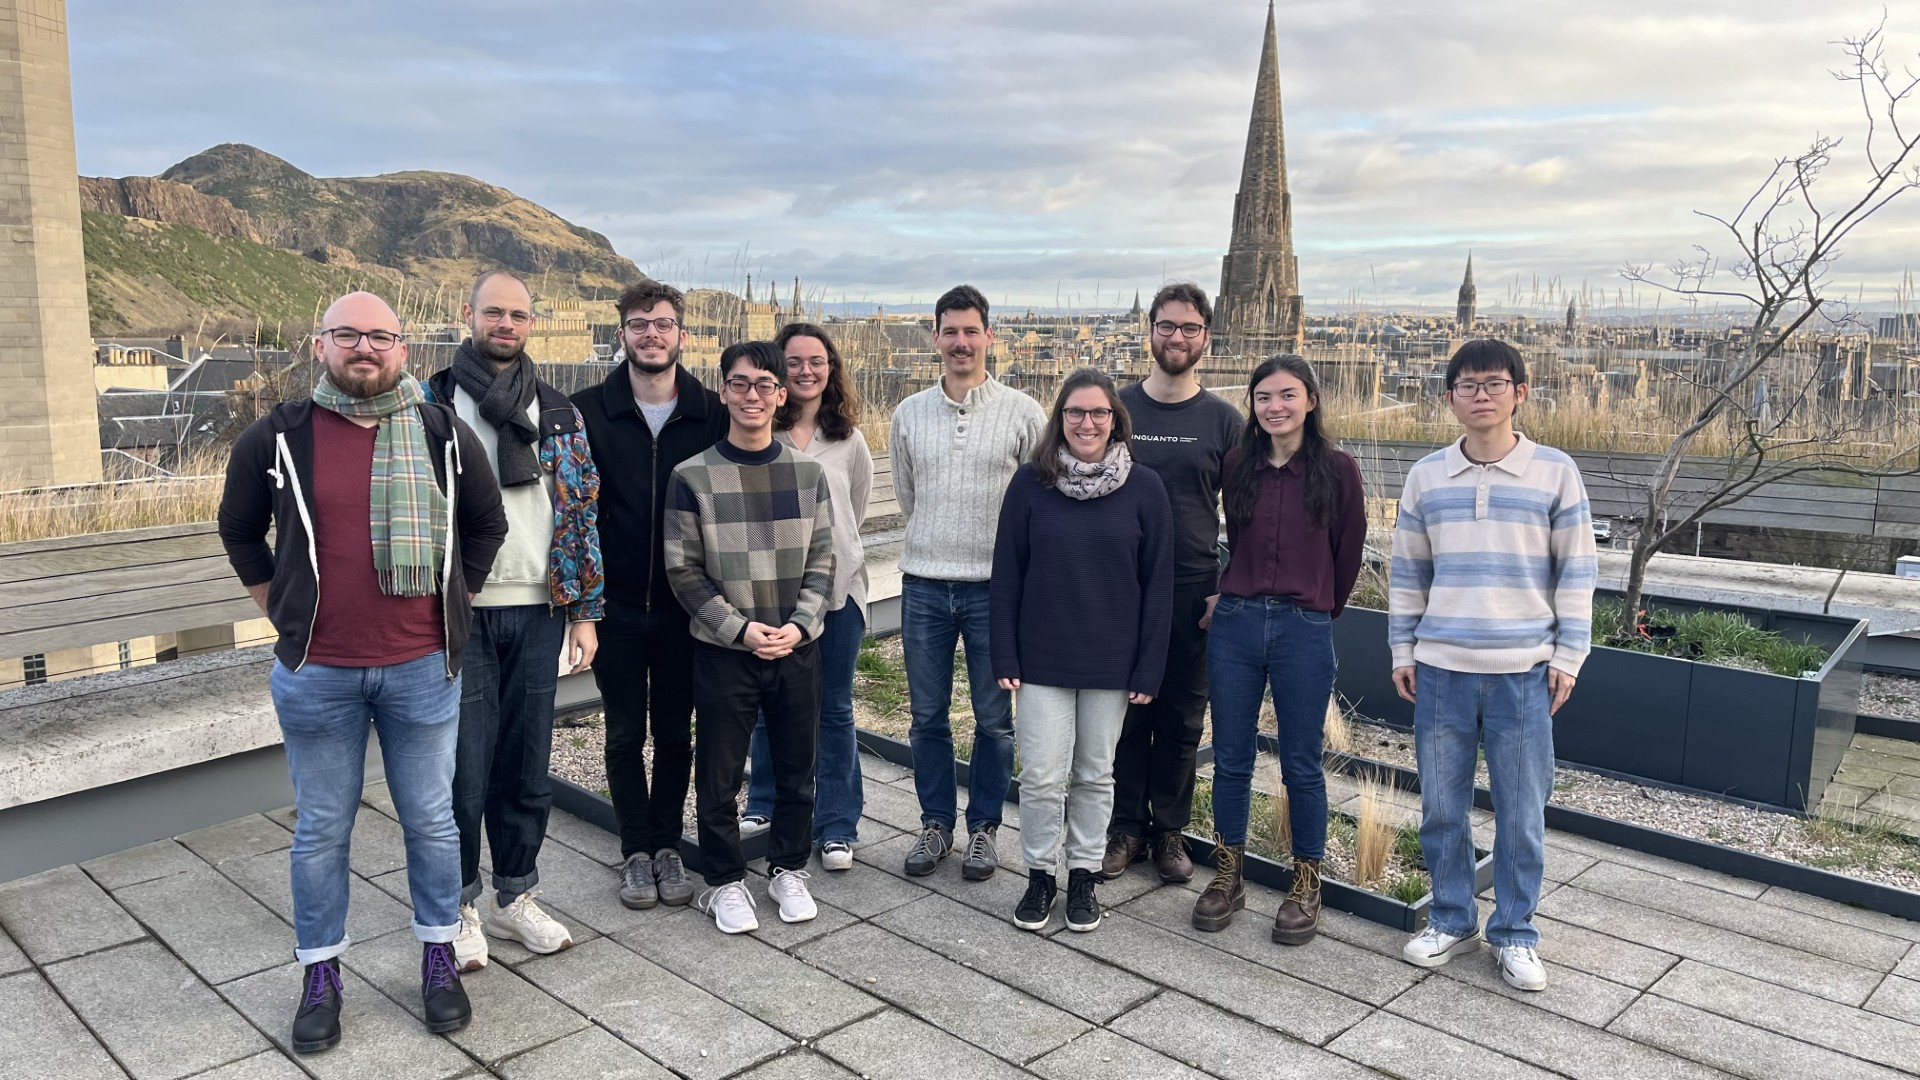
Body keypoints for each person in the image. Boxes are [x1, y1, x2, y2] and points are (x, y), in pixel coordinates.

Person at [217, 292, 507, 1053]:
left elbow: (487, 525)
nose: (364, 348)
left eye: (380, 336)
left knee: (432, 822)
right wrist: (283, 609)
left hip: (421, 669)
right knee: (320, 832)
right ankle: (321, 974)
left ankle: (439, 955)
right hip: (318, 672)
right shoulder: (277, 436)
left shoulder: (441, 431)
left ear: (403, 350)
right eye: (348, 335)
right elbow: (239, 529)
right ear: (321, 346)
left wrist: (456, 601)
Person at [1390, 339, 1596, 992]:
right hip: (1442, 667)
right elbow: (1407, 575)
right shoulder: (1427, 476)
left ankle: (1516, 931)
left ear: (1520, 393)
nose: (1481, 394)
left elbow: (1578, 571)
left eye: (1494, 383)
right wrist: (1402, 648)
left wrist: (1570, 655)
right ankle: (1452, 918)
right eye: (1467, 384)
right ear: (1449, 397)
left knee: (1522, 812)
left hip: (1522, 671)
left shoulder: (1555, 472)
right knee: (1442, 807)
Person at [425, 271, 602, 970]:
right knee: (463, 770)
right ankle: (461, 903)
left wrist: (585, 614)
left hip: (538, 610)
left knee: (527, 765)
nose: (506, 323)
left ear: (532, 323)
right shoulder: (430, 406)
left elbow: (582, 516)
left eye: (518, 314)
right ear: (466, 315)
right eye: (493, 312)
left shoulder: (558, 411)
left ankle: (514, 897)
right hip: (459, 612)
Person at [991, 368, 1173, 932]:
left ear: (1116, 420)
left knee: (1096, 775)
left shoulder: (1145, 488)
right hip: (1042, 656)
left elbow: (1158, 584)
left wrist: (1149, 664)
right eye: (1076, 412)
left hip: (1111, 661)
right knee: (1043, 776)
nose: (1087, 423)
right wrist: (1005, 653)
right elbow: (1007, 573)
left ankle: (1085, 877)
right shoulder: (1030, 484)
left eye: (1098, 413)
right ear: (1060, 419)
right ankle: (1041, 874)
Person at [1192, 355, 1366, 945]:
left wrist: (1316, 609)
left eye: (1288, 395)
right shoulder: (1238, 463)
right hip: (1238, 624)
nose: (1276, 407)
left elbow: (1346, 558)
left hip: (1303, 628)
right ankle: (1227, 876)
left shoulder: (1339, 471)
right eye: (1264, 397)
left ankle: (1305, 883)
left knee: (1301, 762)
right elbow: (1235, 541)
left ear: (1310, 401)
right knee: (1232, 756)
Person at [663, 341, 836, 934]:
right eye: (740, 384)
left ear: (781, 395)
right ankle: (724, 880)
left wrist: (798, 625)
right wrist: (740, 629)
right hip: (724, 652)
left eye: (765, 384)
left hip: (795, 646)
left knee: (796, 769)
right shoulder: (692, 476)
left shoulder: (808, 475)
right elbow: (682, 570)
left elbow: (822, 560)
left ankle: (788, 867)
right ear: (724, 392)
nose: (753, 396)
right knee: (717, 772)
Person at [573, 280, 728, 911]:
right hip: (613, 608)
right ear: (622, 334)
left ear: (682, 335)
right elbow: (571, 514)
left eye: (663, 323)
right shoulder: (585, 410)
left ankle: (668, 843)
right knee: (621, 732)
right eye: (639, 324)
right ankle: (635, 849)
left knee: (674, 731)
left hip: (688, 606)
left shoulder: (712, 412)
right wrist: (579, 605)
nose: (652, 334)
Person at [890, 285, 1046, 880]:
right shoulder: (908, 413)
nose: (961, 342)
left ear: (989, 337)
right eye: (950, 331)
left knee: (992, 719)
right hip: (925, 585)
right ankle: (935, 825)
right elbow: (909, 498)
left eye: (971, 331)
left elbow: (1036, 501)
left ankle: (982, 828)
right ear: (936, 337)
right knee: (926, 716)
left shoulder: (1023, 413)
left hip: (993, 590)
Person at [1104, 283, 1242, 885]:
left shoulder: (1225, 421)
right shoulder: (1117, 409)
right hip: (1122, 588)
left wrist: (1226, 586)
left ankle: (1169, 832)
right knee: (1126, 714)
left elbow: (1247, 514)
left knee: (1184, 717)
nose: (1177, 337)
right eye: (1166, 326)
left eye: (1189, 328)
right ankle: (1125, 828)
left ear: (1205, 337)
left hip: (1192, 586)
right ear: (1150, 331)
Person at [738, 323, 875, 871]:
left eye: (816, 361)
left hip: (837, 596)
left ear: (831, 368)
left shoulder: (849, 439)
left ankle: (837, 824)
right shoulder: (756, 431)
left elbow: (854, 514)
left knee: (834, 709)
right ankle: (765, 802)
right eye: (793, 362)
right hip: (771, 593)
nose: (805, 372)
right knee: (769, 705)